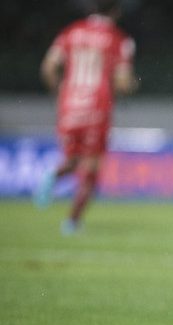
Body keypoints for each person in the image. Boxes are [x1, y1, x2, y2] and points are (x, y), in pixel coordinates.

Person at [34, 0, 137, 234]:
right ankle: (72, 223)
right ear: (116, 11)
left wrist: (60, 93)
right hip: (97, 108)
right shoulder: (118, 39)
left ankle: (52, 174)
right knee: (91, 167)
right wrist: (132, 86)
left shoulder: (71, 31)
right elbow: (122, 80)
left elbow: (48, 67)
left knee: (72, 160)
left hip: (69, 106)